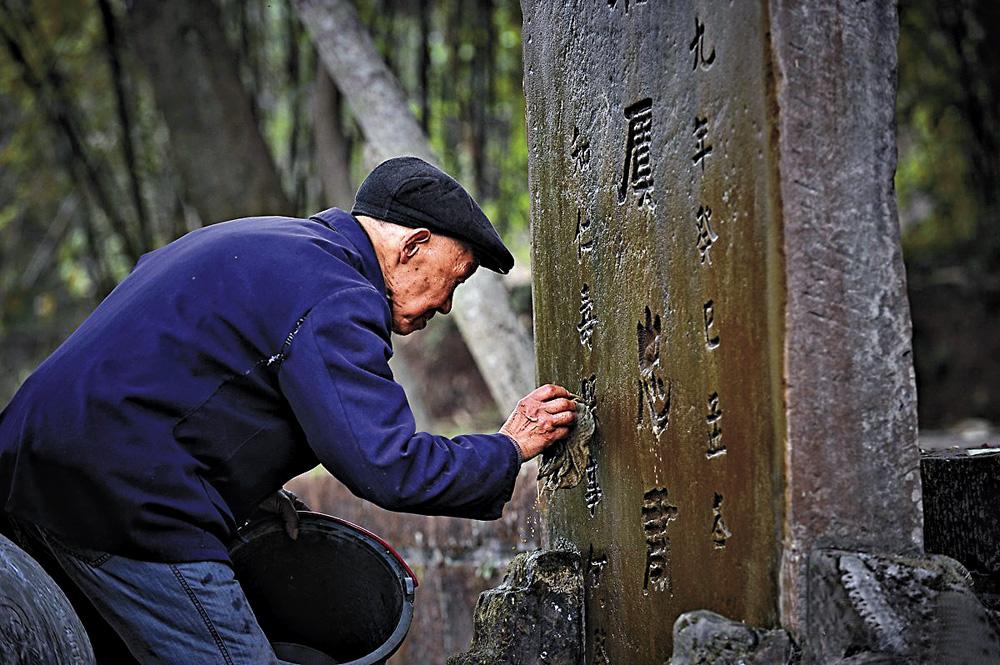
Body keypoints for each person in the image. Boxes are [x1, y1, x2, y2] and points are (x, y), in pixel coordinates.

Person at [0, 156, 577, 663]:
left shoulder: (276, 246)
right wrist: (508, 447)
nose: (446, 305)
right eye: (452, 280)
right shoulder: (337, 293)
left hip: (30, 464)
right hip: (124, 496)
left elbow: (187, 382)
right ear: (412, 245)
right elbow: (386, 463)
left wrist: (252, 495)